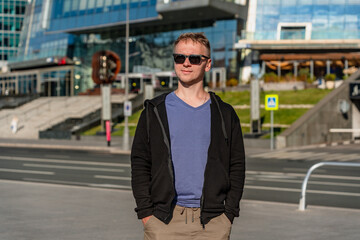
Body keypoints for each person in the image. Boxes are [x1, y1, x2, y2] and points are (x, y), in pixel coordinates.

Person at [131, 32, 246, 240]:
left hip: (212, 223)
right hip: (163, 221)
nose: (186, 63)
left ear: (207, 64)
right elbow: (140, 163)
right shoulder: (154, 111)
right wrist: (146, 214)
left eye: (194, 58)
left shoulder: (225, 114)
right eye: (179, 58)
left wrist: (228, 215)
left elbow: (236, 166)